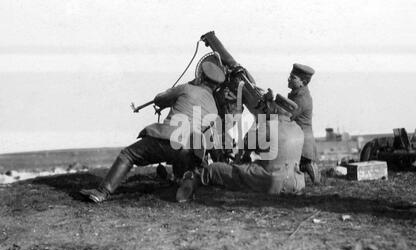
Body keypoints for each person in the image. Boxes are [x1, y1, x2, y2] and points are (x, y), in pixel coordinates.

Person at [80, 61, 226, 203]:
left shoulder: (187, 88)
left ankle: (102, 192)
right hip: (189, 149)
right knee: (186, 158)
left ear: (200, 76)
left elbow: (159, 99)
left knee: (128, 154)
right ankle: (183, 181)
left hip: (168, 138)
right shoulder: (214, 108)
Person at [177, 94, 306, 198]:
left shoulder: (268, 126)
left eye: (271, 106)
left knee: (214, 169)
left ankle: (191, 181)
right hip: (296, 184)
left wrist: (259, 118)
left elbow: (247, 143)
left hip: (271, 182)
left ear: (276, 109)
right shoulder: (298, 129)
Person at [287, 63, 320, 184]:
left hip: (302, 141)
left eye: (293, 77)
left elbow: (287, 115)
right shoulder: (299, 94)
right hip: (302, 138)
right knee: (305, 164)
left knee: (306, 164)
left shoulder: (301, 98)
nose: (289, 79)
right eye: (290, 76)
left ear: (303, 82)